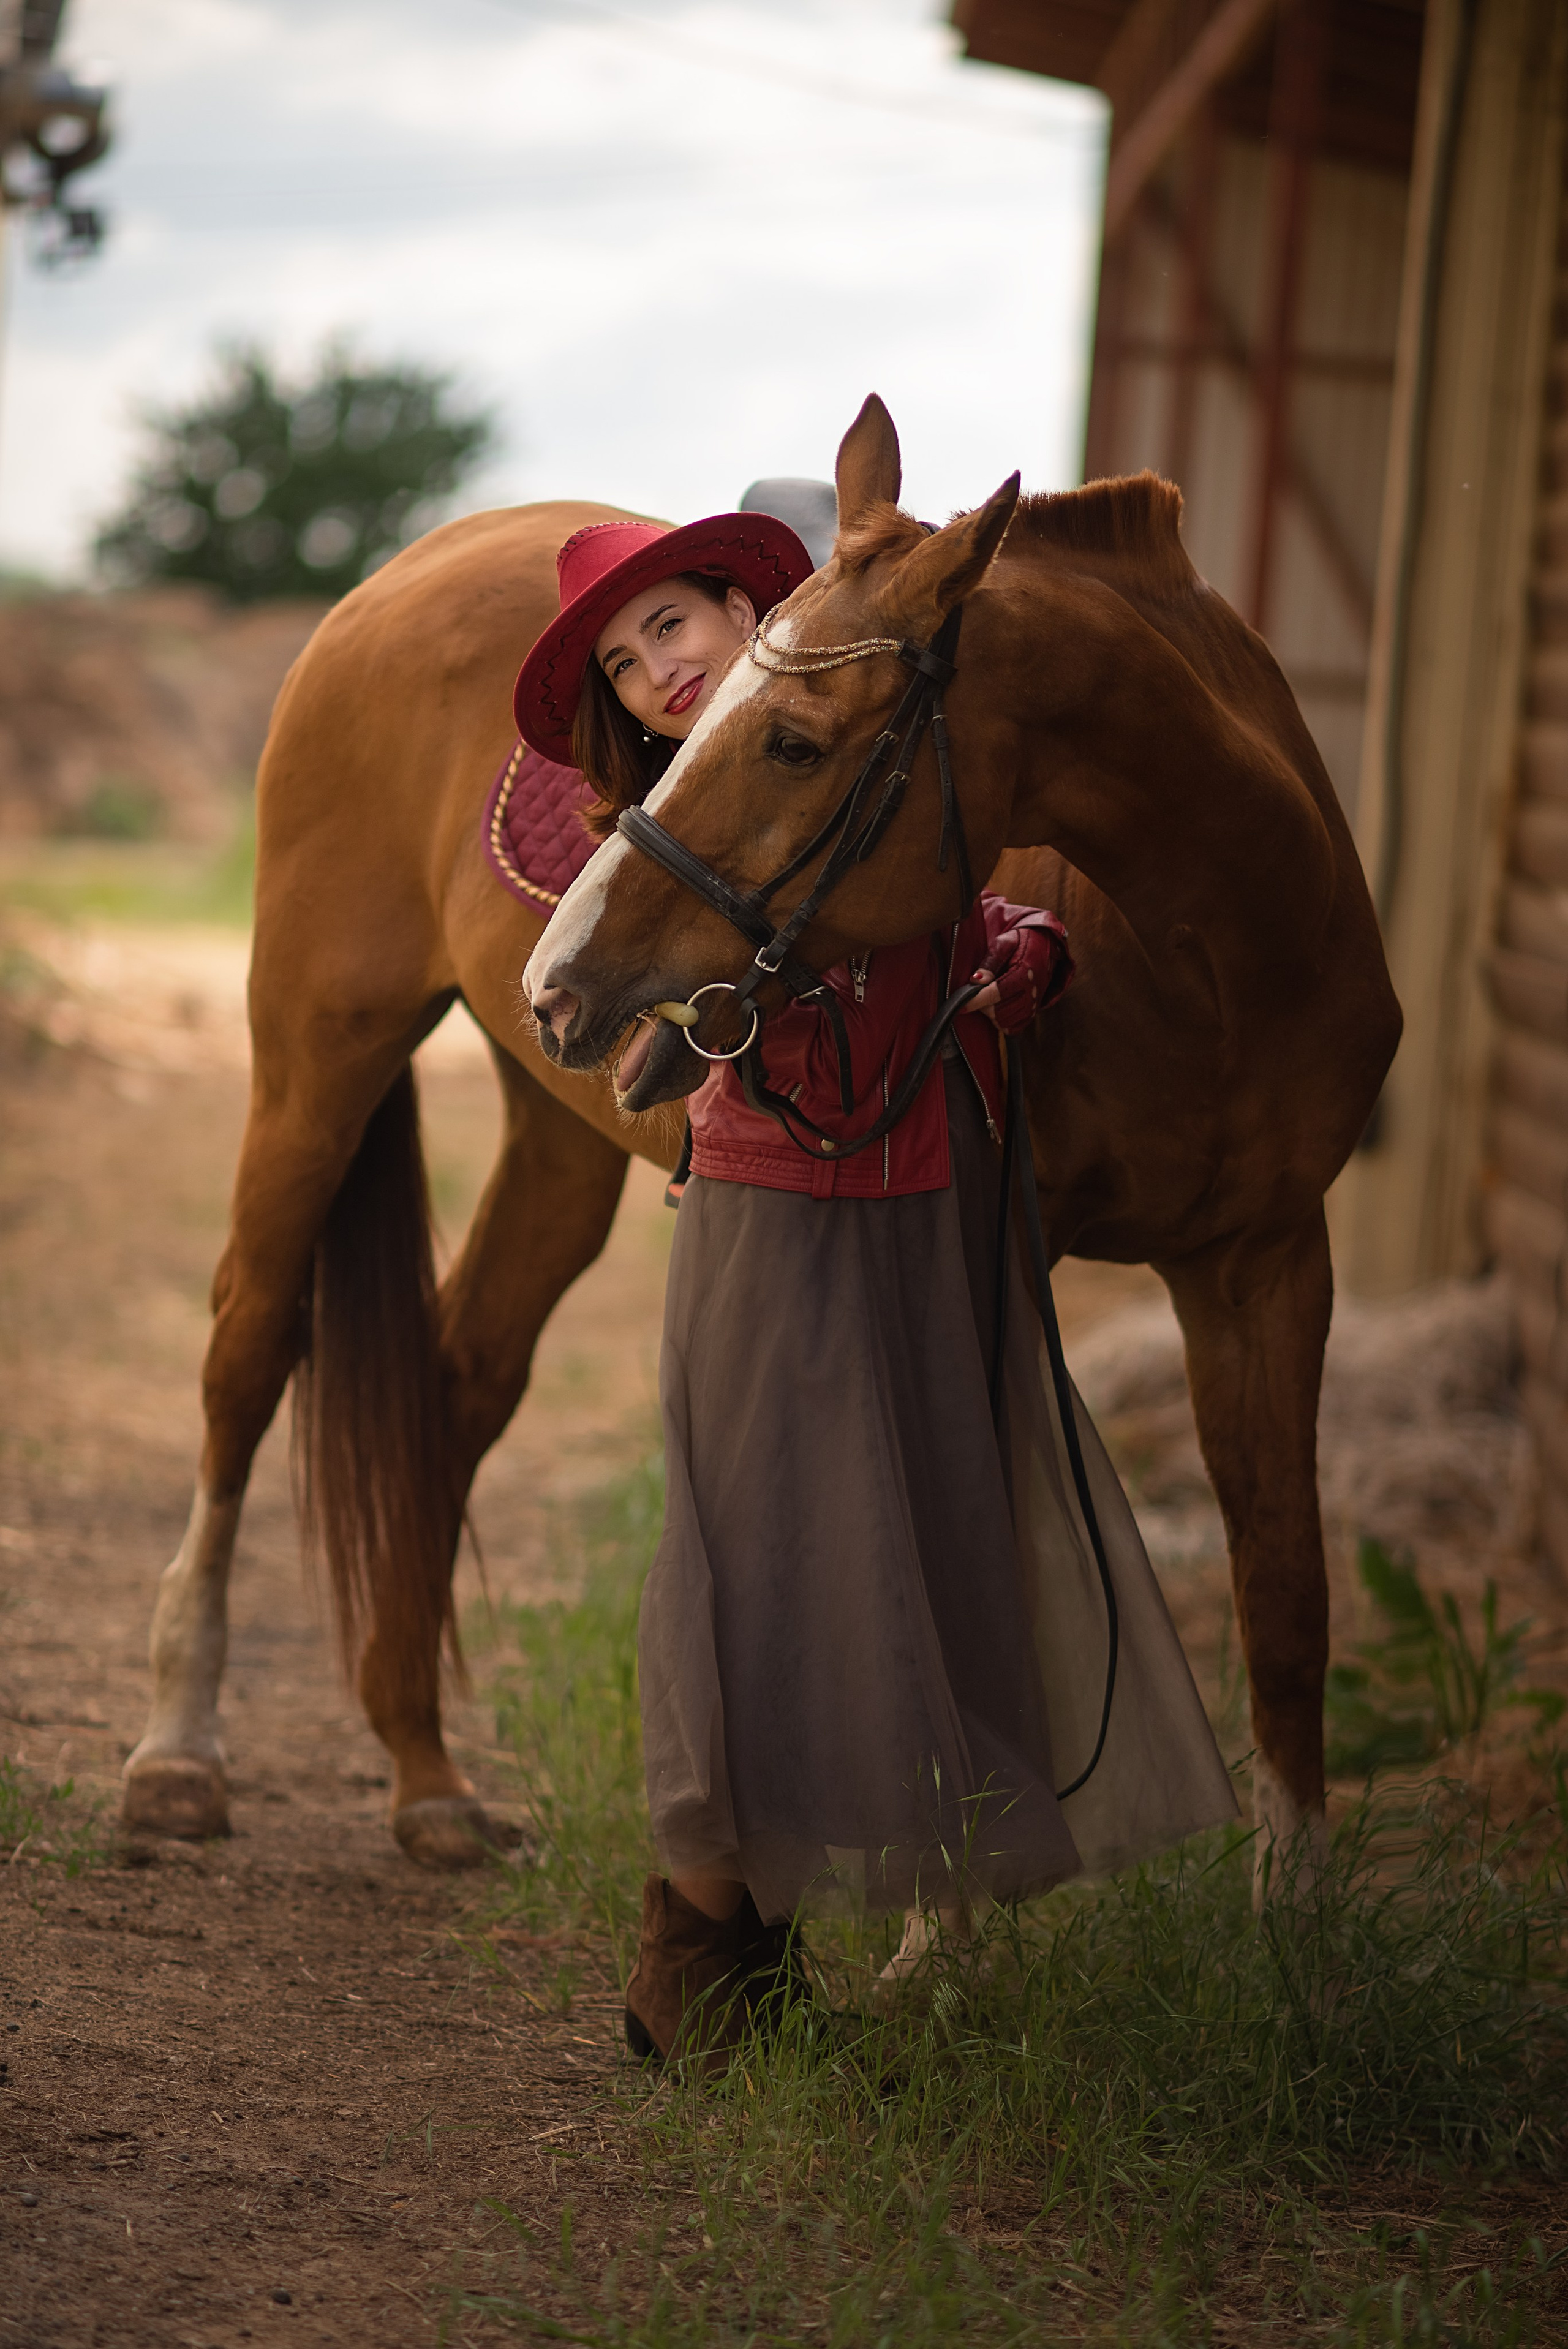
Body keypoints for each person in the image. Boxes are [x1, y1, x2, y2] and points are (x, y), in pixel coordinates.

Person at [514, 508, 1237, 2068]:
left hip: (926, 1183)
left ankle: (803, 1936)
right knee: (759, 1545)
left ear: (739, 607)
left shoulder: (856, 743)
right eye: (629, 665)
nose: (656, 674)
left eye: (673, 626)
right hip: (788, 1201)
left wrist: (1015, 951)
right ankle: (693, 1956)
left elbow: (934, 904)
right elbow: (650, 1004)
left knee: (904, 1526)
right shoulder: (679, 824)